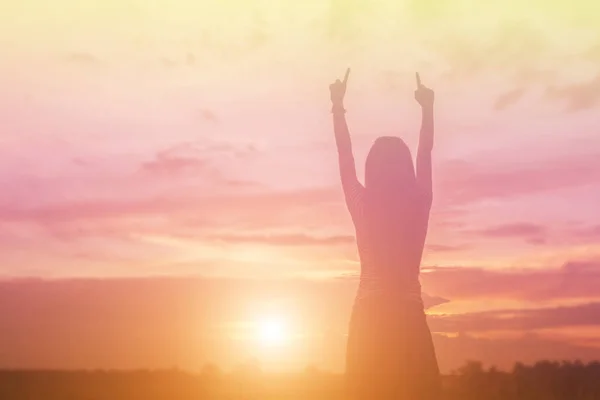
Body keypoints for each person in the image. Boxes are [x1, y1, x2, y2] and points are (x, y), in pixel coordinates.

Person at [330, 68, 440, 399]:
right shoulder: (420, 201)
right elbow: (426, 153)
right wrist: (428, 108)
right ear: (405, 166)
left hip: (369, 318)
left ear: (372, 168)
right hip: (409, 318)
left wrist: (337, 104)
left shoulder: (361, 204)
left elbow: (344, 156)